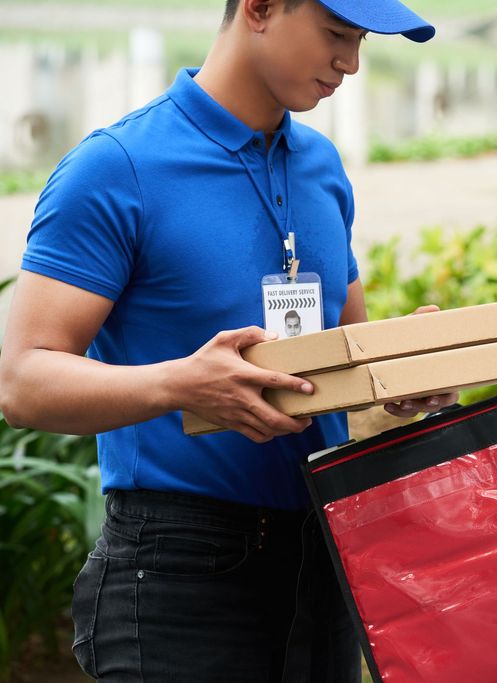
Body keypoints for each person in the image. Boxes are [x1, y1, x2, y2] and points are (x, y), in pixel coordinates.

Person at [0, 0, 455, 680]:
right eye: (336, 34)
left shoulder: (322, 166)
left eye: (360, 42)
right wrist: (176, 383)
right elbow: (22, 382)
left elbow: (347, 356)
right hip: (179, 573)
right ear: (260, 7)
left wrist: (405, 374)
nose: (350, 64)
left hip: (322, 559)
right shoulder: (117, 166)